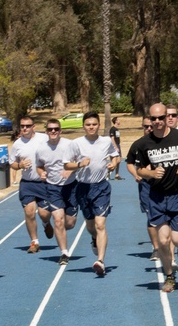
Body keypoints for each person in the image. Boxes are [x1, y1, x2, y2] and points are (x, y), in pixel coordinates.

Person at [133, 103, 178, 292]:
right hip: (157, 196)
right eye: (154, 119)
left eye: (161, 117)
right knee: (162, 240)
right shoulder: (143, 144)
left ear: (167, 117)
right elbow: (139, 169)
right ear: (150, 120)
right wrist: (150, 174)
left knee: (176, 240)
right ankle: (170, 276)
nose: (158, 121)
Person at [71, 112, 121, 277]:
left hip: (101, 187)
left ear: (99, 125)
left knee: (100, 225)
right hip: (83, 188)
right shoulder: (76, 143)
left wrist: (113, 164)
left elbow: (116, 156)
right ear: (83, 126)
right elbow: (66, 164)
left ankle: (100, 260)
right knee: (91, 226)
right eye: (88, 124)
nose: (91, 127)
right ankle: (94, 239)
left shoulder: (106, 141)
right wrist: (79, 164)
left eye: (94, 124)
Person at [34, 118, 80, 265]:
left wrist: (70, 170)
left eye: (55, 129)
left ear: (60, 131)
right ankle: (64, 253)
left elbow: (81, 163)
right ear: (46, 131)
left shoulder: (69, 145)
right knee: (58, 220)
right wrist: (41, 173)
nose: (53, 131)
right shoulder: (41, 148)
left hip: (71, 186)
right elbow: (39, 165)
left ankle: (61, 231)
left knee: (70, 223)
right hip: (52, 188)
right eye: (50, 129)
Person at [8, 116, 51, 254]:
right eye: (22, 126)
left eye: (27, 126)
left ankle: (46, 223)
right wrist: (19, 165)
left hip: (43, 183)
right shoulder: (17, 144)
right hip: (27, 184)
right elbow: (12, 163)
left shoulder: (44, 138)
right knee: (29, 212)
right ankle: (34, 241)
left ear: (34, 127)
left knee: (44, 214)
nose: (24, 128)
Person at [126, 116, 162, 261]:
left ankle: (172, 242)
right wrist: (136, 174)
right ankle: (156, 248)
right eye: (145, 126)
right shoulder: (137, 144)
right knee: (151, 216)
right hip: (146, 185)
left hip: (164, 184)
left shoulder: (162, 142)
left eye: (150, 126)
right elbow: (129, 163)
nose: (148, 129)